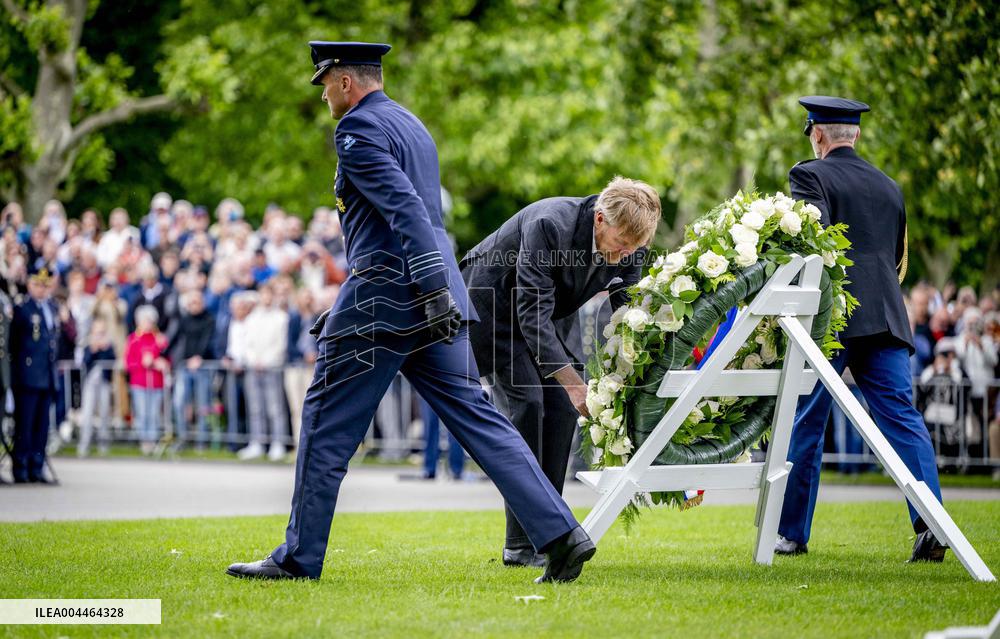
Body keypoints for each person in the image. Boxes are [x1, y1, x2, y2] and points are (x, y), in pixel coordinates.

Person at [226, 41, 594, 583]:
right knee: (482, 422)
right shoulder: (412, 126)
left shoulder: (355, 130)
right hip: (432, 296)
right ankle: (563, 535)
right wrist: (437, 291)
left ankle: (299, 558)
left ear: (346, 82)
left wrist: (425, 290)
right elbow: (422, 217)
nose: (323, 94)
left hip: (392, 297)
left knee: (325, 422)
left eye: (325, 83)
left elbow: (406, 210)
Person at [776, 96, 946, 562]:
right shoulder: (890, 185)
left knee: (806, 420)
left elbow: (813, 247)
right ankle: (931, 526)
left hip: (833, 317)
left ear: (817, 134)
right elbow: (893, 256)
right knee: (902, 418)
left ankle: (791, 532)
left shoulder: (807, 175)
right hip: (887, 315)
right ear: (856, 135)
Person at [459, 176, 658, 566]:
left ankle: (549, 535)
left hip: (546, 316)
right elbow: (529, 312)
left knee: (563, 411)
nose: (627, 255)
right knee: (529, 405)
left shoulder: (630, 244)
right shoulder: (550, 224)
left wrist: (635, 368)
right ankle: (519, 545)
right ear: (600, 219)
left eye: (635, 248)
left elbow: (627, 313)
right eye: (621, 245)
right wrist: (573, 384)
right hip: (493, 307)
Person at [10, 270, 59, 483]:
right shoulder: (22, 309)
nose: (41, 289)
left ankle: (37, 467)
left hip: (46, 375)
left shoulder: (51, 307)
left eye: (44, 285)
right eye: (37, 284)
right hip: (27, 375)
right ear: (30, 284)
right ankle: (21, 467)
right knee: (25, 425)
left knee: (41, 427)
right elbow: (14, 343)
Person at [171, 289, 216, 450]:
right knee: (179, 402)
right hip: (185, 366)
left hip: (202, 367)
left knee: (203, 405)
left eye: (196, 302)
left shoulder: (209, 319)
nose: (193, 305)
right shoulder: (185, 319)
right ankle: (183, 437)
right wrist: (162, 354)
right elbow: (174, 337)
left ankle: (202, 441)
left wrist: (199, 357)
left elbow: (208, 339)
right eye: (190, 303)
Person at [124, 305, 169, 455]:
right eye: (145, 321)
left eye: (150, 321)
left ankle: (153, 439)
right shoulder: (133, 340)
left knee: (154, 413)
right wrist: (142, 363)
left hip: (156, 383)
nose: (147, 324)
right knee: (142, 413)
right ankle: (145, 440)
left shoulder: (159, 339)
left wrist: (160, 362)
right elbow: (129, 363)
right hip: (139, 382)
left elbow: (167, 357)